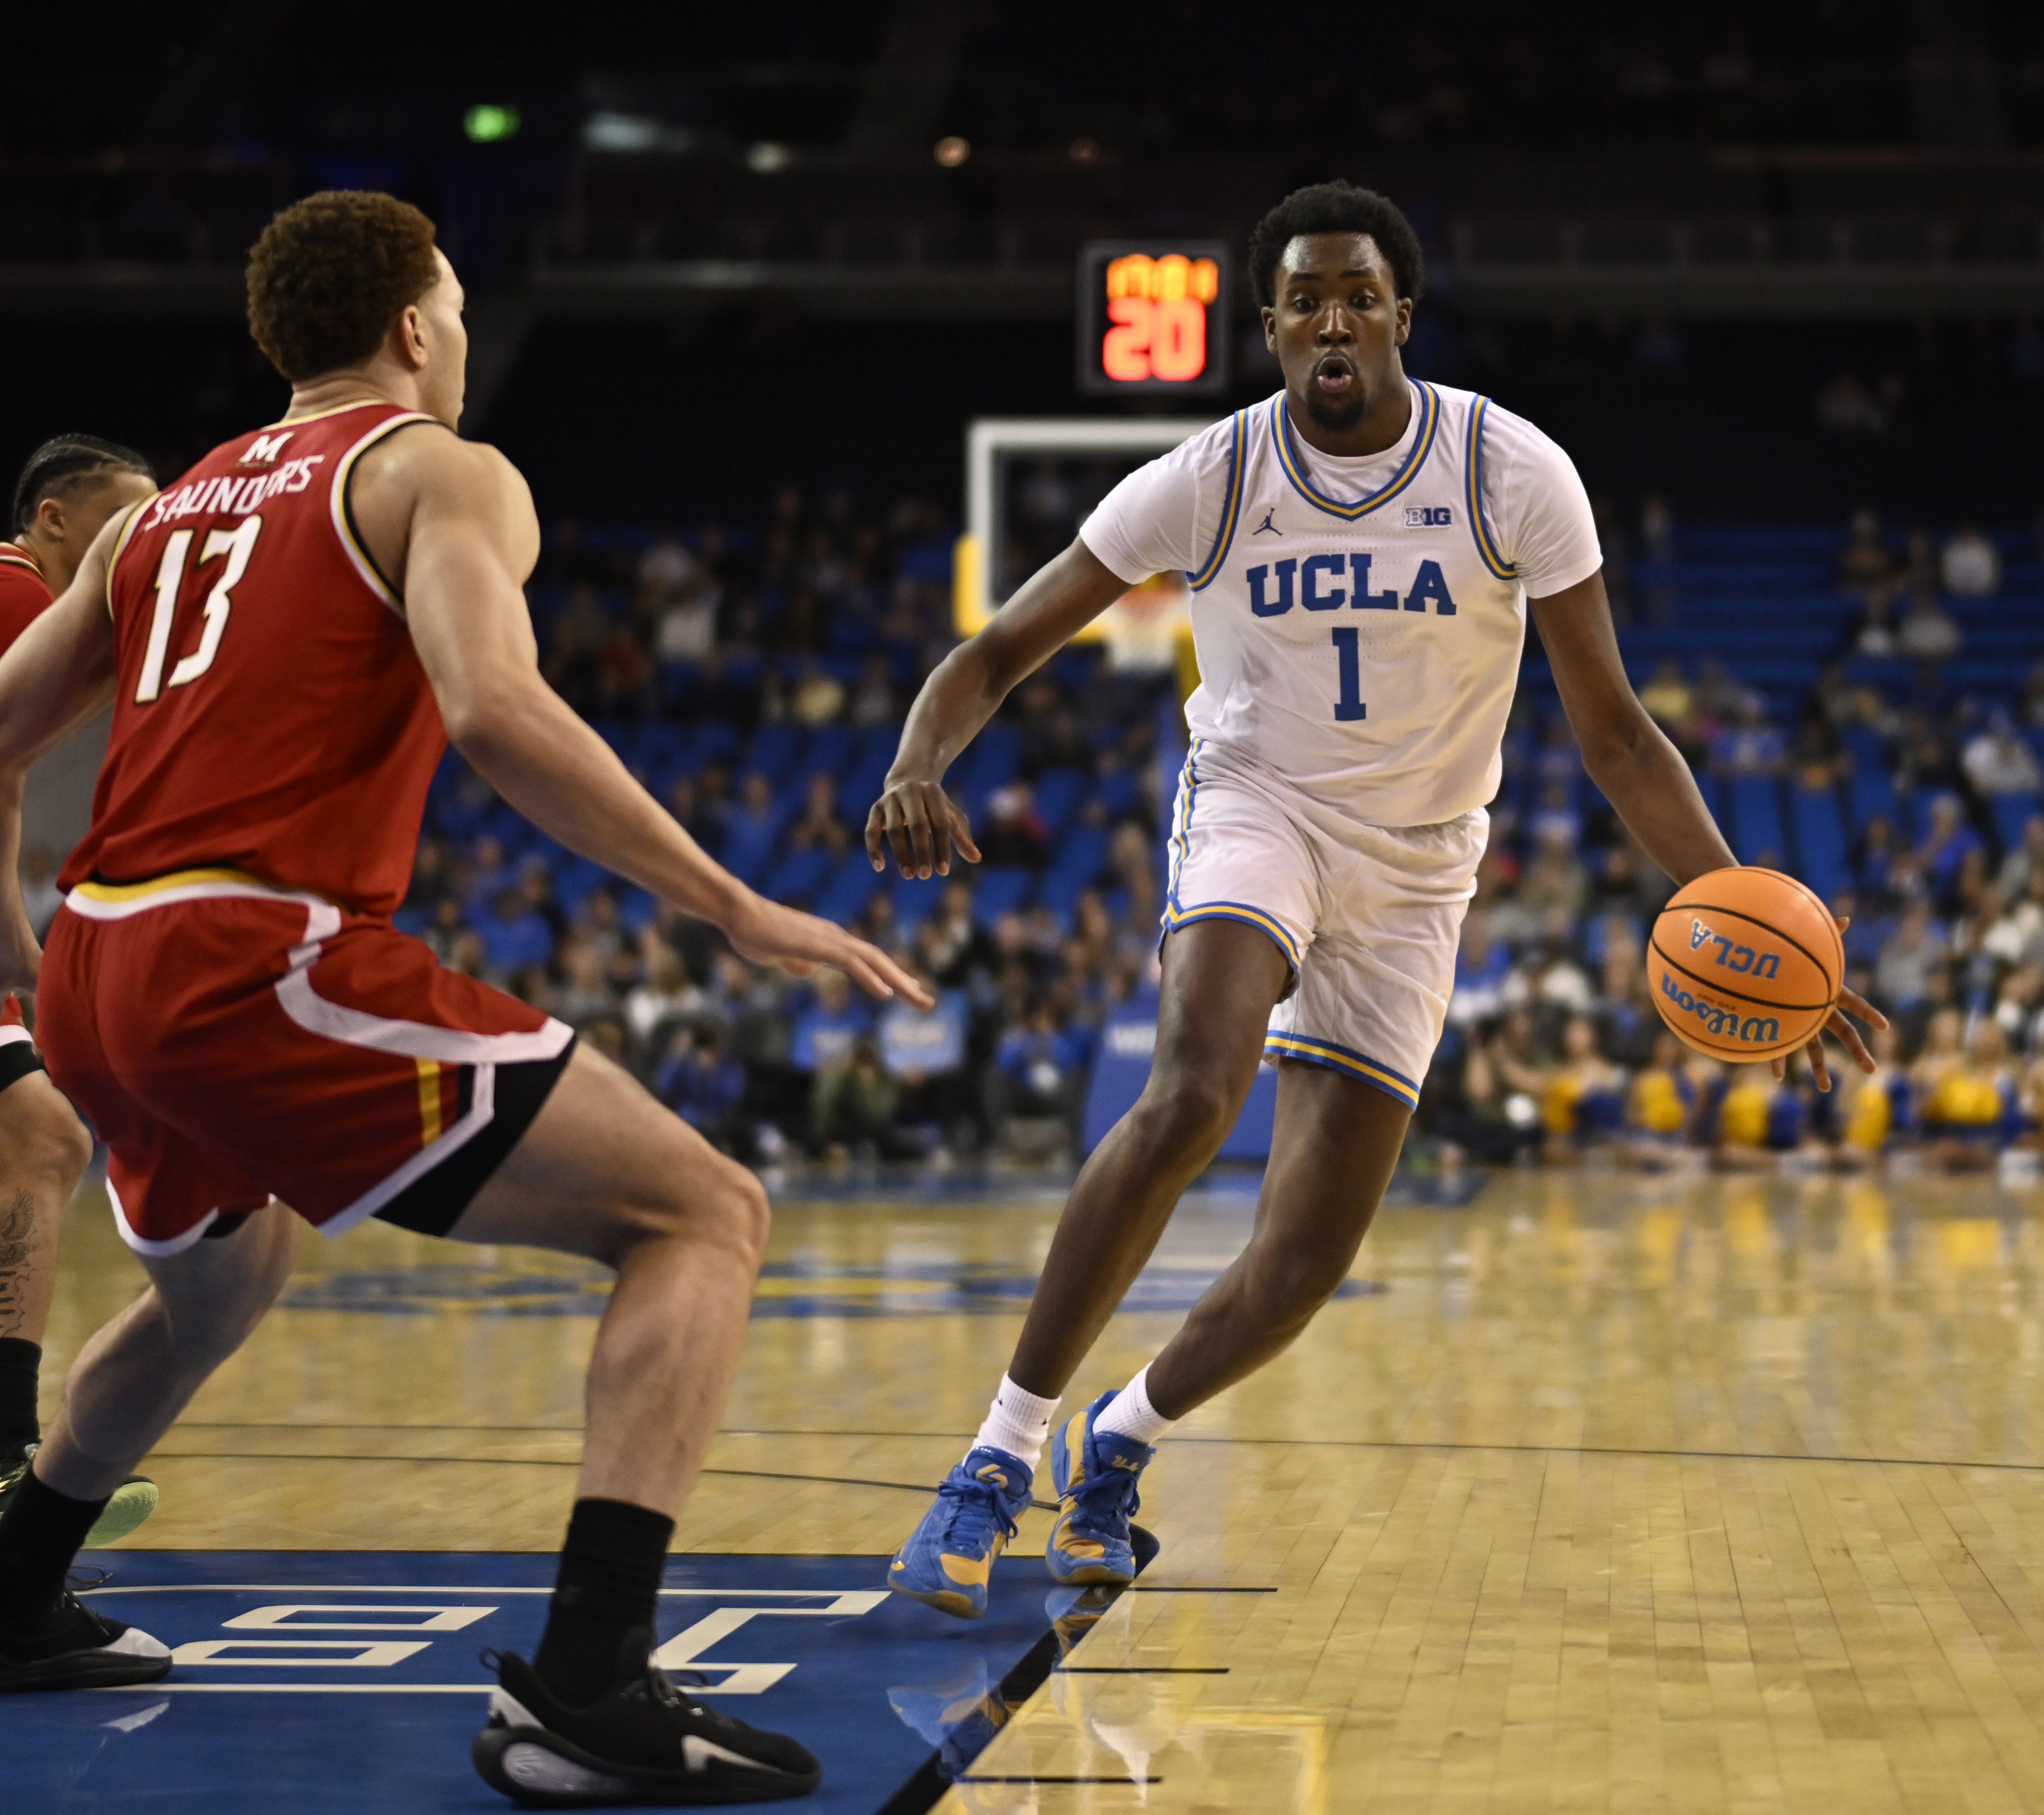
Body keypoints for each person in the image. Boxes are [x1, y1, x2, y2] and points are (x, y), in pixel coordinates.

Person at [0, 192, 926, 1805]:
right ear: (414, 326)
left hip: (92, 960)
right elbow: (494, 708)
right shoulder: (436, 468)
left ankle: (14, 1588)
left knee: (226, 1279)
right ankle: (589, 1684)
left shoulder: (169, 510)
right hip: (247, 953)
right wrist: (730, 901)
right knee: (700, 1212)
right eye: (457, 313)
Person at [866, 179, 1882, 1616]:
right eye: (1303, 301)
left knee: (1301, 1262)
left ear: (1400, 314)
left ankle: (1118, 1440)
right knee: (1191, 1092)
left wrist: (1759, 922)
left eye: (1356, 295)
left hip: (1417, 865)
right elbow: (992, 653)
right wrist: (917, 761)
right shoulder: (1210, 476)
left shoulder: (1510, 470)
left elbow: (1615, 737)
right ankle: (995, 1455)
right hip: (1259, 806)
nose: (1330, 321)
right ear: (1269, 327)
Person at [0, 437, 162, 1550]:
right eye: (121, 523)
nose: (139, 547)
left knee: (41, 1135)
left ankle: (8, 1454)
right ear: (53, 519)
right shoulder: (20, 589)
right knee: (42, 1136)